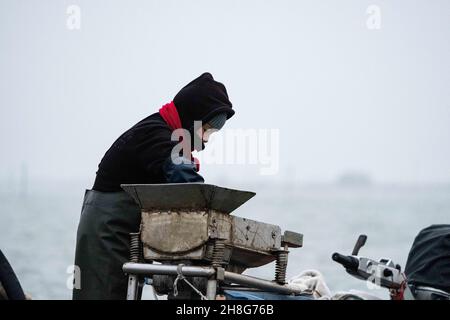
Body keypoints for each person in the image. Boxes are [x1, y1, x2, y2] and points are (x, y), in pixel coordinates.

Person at [72, 72, 234, 299]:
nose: (206, 140)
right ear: (191, 118)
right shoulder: (157, 135)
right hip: (106, 234)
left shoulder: (165, 133)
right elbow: (187, 182)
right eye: (205, 130)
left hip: (125, 232)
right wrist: (213, 214)